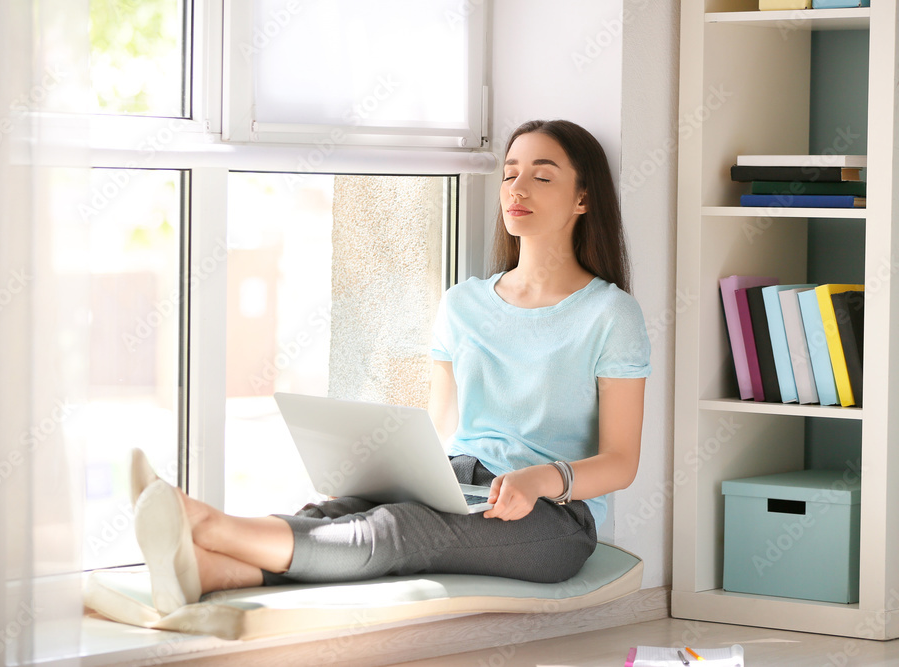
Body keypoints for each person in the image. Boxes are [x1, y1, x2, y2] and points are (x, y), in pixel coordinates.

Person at [131, 119, 651, 615]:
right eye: (510, 173)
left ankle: (204, 524)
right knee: (337, 512)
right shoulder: (462, 304)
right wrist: (376, 472)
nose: (518, 188)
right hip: (458, 481)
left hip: (553, 520)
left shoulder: (609, 314)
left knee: (400, 531)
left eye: (542, 176)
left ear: (583, 198)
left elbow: (621, 462)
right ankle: (210, 571)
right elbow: (442, 427)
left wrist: (541, 480)